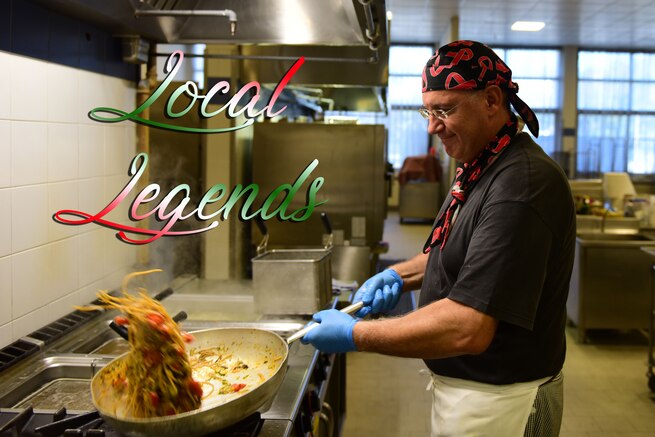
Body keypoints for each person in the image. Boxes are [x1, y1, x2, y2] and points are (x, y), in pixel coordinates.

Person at [301, 40, 576, 437]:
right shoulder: (479, 165)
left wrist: (355, 335)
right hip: (471, 393)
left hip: (503, 403)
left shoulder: (521, 185)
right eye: (427, 111)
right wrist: (400, 276)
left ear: (492, 100)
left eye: (445, 109)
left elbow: (468, 326)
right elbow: (460, 250)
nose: (431, 126)